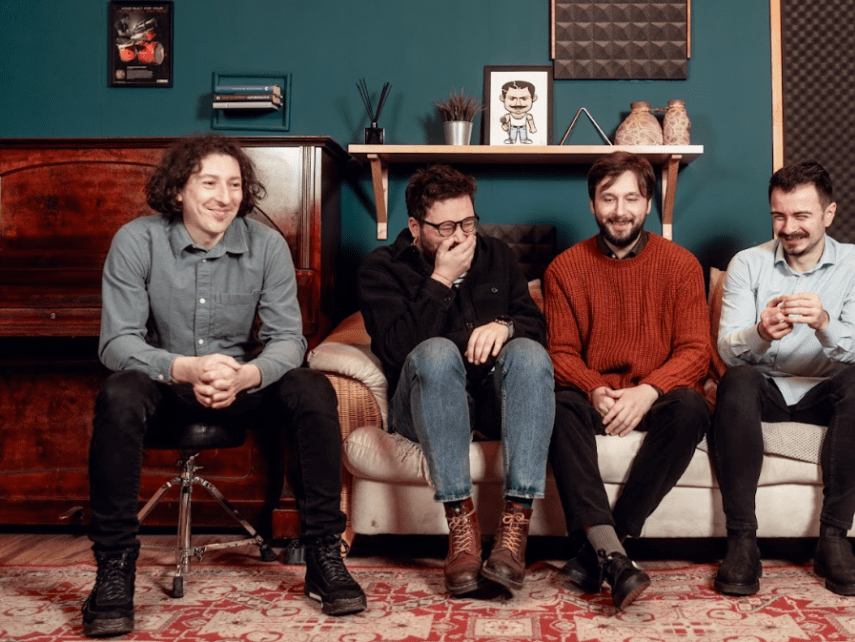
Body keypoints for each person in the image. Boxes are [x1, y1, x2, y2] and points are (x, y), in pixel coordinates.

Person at [82, 133, 365, 637]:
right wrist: (186, 369)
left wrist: (245, 375)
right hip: (167, 385)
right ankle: (114, 568)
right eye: (209, 183)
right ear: (178, 191)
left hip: (241, 387)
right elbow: (117, 342)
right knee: (119, 392)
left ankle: (323, 552)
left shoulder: (266, 245)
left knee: (311, 387)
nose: (225, 196)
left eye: (234, 184)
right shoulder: (137, 240)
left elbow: (288, 340)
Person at [357, 164, 554, 596]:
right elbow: (396, 349)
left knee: (527, 351)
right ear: (415, 227)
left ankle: (514, 527)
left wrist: (506, 326)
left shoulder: (497, 255)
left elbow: (537, 327)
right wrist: (441, 279)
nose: (462, 237)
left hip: (493, 403)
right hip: (423, 407)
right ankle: (461, 526)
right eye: (446, 227)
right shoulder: (381, 268)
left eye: (468, 223)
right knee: (435, 351)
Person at [543, 151, 712, 610]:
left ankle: (597, 554)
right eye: (608, 198)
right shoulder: (564, 269)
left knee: (692, 407)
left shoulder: (681, 265)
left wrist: (648, 390)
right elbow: (560, 353)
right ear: (592, 204)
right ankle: (615, 558)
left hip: (655, 396)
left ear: (649, 204)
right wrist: (593, 388)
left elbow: (695, 350)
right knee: (557, 405)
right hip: (595, 397)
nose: (620, 210)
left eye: (631, 198)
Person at [711, 160, 855, 597]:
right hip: (765, 391)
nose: (789, 228)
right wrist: (760, 333)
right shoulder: (747, 264)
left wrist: (824, 322)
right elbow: (727, 351)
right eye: (779, 216)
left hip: (824, 394)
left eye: (801, 216)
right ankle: (742, 541)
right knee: (738, 381)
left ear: (829, 214)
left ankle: (834, 539)